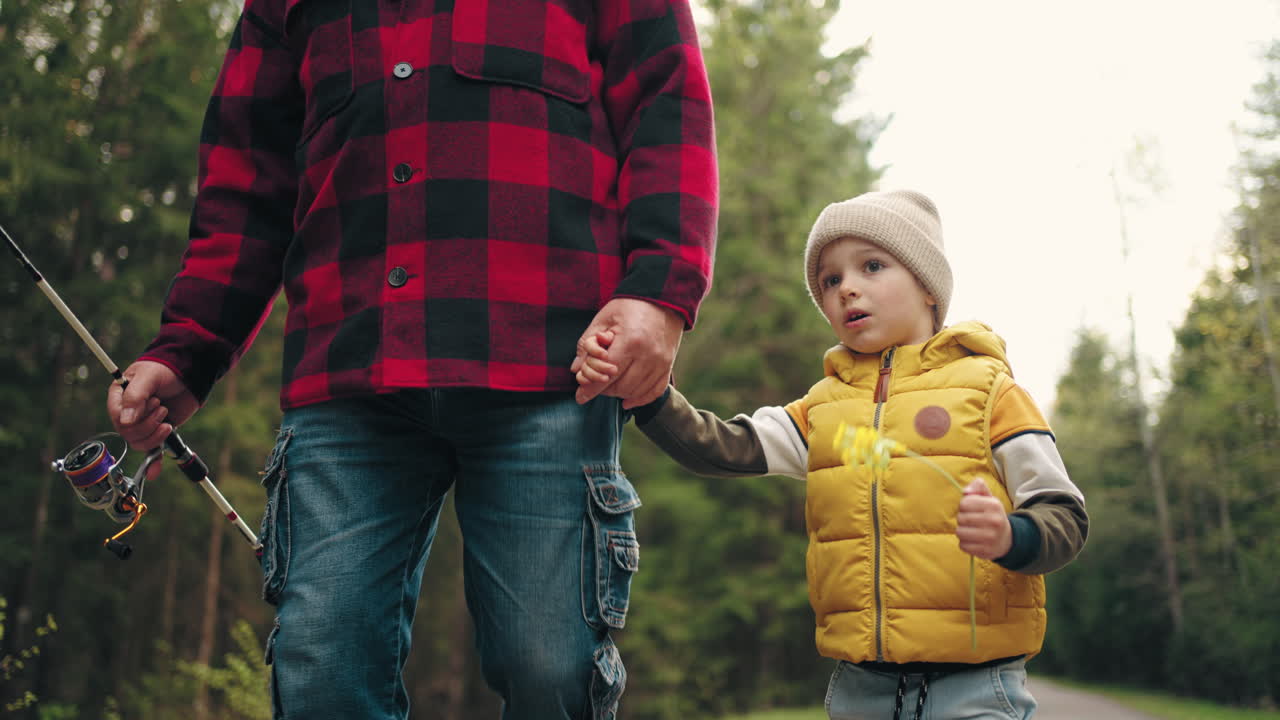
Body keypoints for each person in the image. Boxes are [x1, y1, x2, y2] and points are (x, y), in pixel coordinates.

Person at [105, 0, 718, 718]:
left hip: (553, 370)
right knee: (322, 669)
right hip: (346, 374)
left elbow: (667, 105)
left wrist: (661, 293)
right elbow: (247, 182)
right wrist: (188, 347)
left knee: (551, 668)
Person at [574, 189, 1088, 720]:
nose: (847, 289)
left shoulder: (990, 394)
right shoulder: (825, 410)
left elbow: (1065, 517)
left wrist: (1010, 536)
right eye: (831, 280)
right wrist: (651, 394)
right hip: (860, 690)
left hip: (977, 685)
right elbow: (725, 446)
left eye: (871, 265)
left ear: (929, 287)